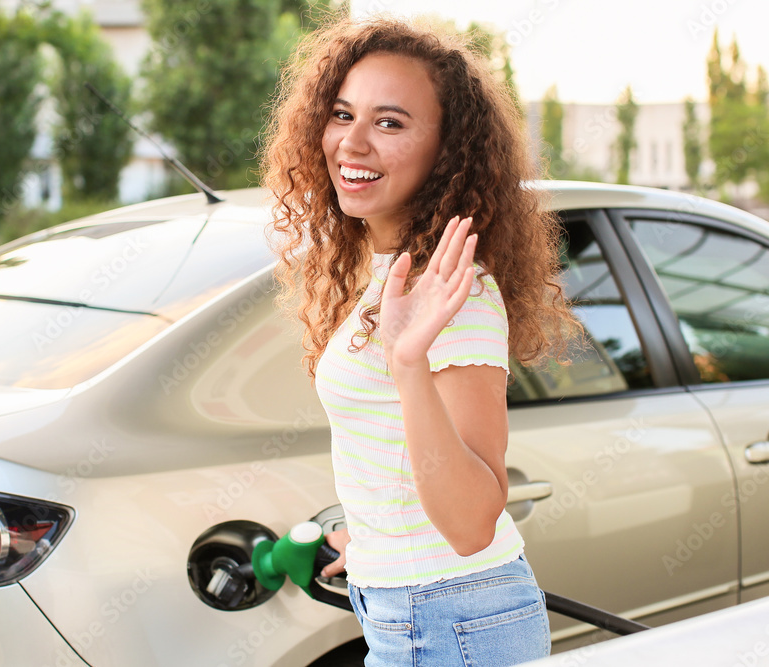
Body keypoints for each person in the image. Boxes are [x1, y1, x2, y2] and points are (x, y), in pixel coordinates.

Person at [262, 14, 578, 667]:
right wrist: (375, 538)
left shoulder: (456, 298)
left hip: (454, 621)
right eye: (342, 114)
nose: (351, 143)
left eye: (390, 123)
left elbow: (470, 523)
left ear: (447, 152)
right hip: (416, 610)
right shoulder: (383, 271)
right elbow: (393, 455)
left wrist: (407, 364)